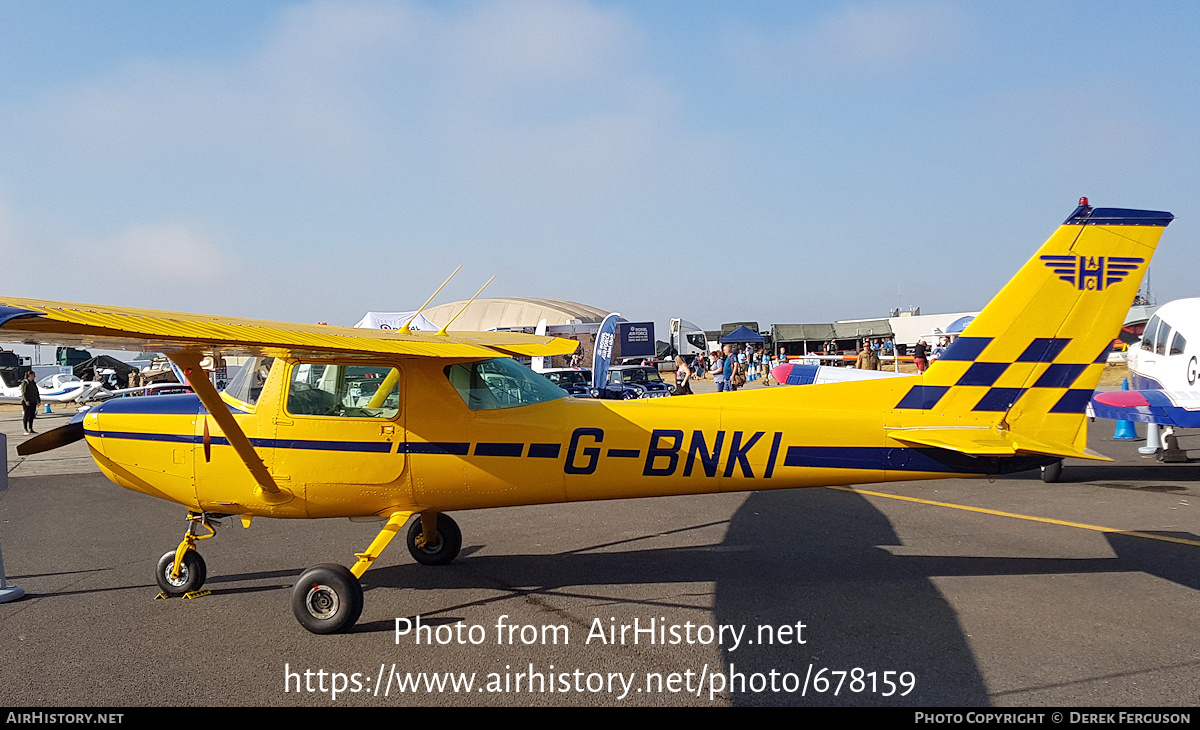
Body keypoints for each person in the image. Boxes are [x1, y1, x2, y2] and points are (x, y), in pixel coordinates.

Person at [21, 370, 40, 435]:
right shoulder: (25, 383)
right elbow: (24, 393)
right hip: (27, 402)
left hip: (33, 401)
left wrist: (38, 400)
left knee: (32, 415)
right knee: (26, 415)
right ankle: (25, 429)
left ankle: (31, 429)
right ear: (30, 375)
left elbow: (36, 392)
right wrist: (26, 400)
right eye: (33, 375)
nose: (34, 376)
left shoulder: (33, 383)